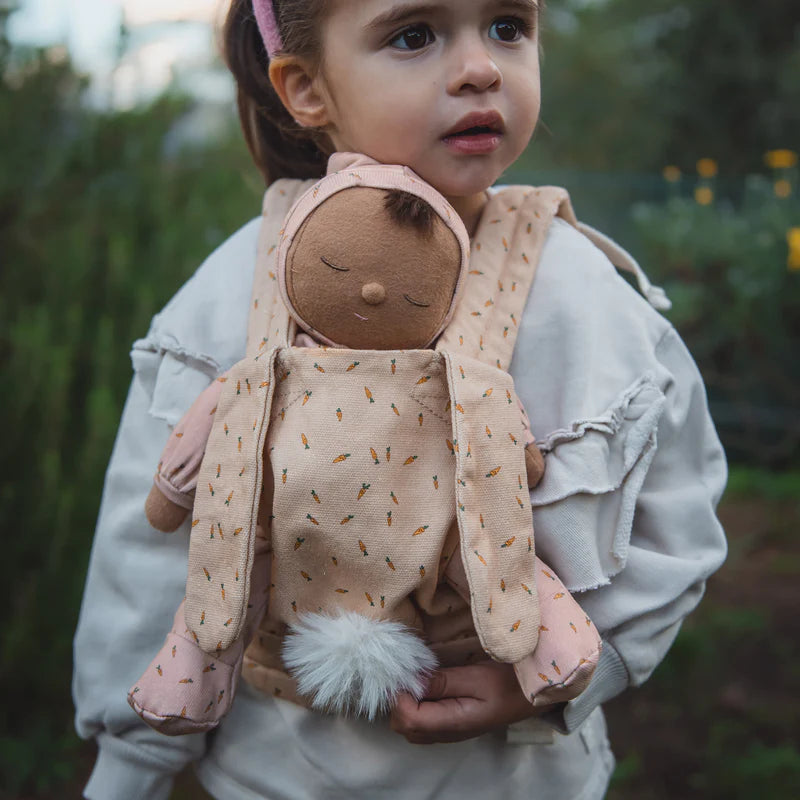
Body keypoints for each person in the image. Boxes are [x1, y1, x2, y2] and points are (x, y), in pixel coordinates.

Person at [72, 1, 728, 799]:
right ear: (306, 87)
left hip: (520, 779)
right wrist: (131, 759)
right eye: (414, 34)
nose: (484, 67)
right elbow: (145, 551)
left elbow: (678, 518)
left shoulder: (589, 300)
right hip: (270, 776)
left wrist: (561, 680)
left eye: (508, 26)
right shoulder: (240, 284)